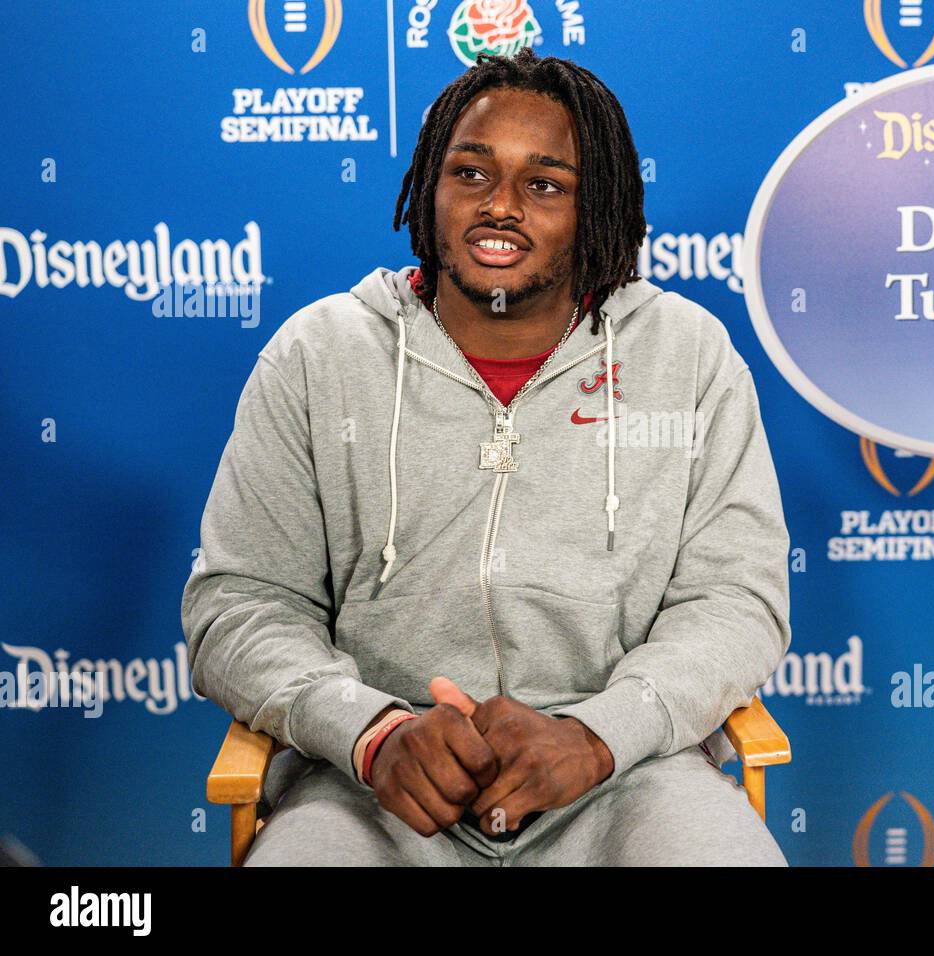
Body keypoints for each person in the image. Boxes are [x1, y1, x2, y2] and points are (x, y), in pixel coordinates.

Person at [181, 48, 791, 866]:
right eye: (470, 174)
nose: (499, 206)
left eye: (544, 184)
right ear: (430, 189)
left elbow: (735, 599)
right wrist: (369, 730)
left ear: (596, 205)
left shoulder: (688, 355)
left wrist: (598, 734)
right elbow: (240, 605)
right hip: (376, 786)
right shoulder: (318, 355)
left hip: (627, 775)